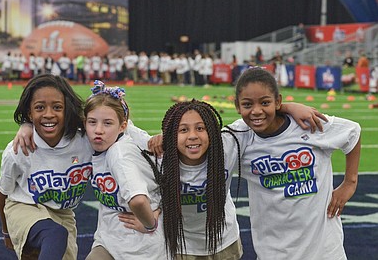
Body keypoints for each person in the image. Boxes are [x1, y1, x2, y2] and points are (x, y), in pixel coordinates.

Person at [137, 100, 325, 260]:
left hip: (224, 243)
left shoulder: (228, 144)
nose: (192, 136)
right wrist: (148, 218)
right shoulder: (159, 157)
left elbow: (254, 115)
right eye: (183, 130)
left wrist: (288, 107)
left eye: (201, 128)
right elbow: (124, 129)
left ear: (212, 131)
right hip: (180, 246)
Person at [229, 67, 361, 259]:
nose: (257, 111)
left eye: (265, 102)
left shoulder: (309, 124)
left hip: (325, 250)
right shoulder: (240, 137)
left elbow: (353, 132)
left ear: (278, 101)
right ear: (237, 106)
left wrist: (350, 182)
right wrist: (287, 106)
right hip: (273, 252)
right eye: (248, 104)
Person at [0, 74, 93, 260]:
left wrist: (157, 140)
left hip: (63, 213)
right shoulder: (18, 149)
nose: (49, 114)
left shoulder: (86, 141)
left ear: (68, 110)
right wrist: (6, 230)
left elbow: (117, 126)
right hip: (22, 205)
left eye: (57, 107)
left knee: (58, 240)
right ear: (29, 113)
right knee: (55, 234)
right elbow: (3, 192)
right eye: (40, 108)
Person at [84, 81, 166, 260]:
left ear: (122, 126)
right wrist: (27, 126)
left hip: (142, 248)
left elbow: (137, 201)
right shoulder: (110, 135)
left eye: (107, 124)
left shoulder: (118, 154)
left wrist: (151, 224)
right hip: (109, 241)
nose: (98, 130)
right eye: (92, 122)